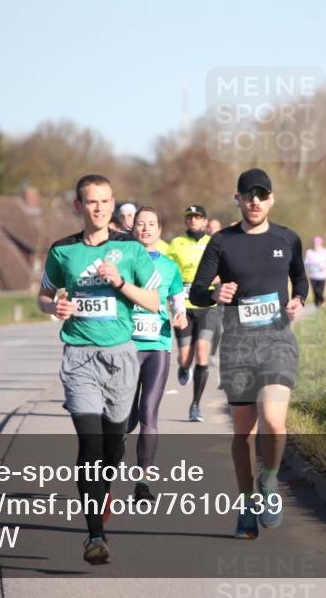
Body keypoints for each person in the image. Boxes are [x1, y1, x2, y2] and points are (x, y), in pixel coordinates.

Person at [37, 174, 161, 565]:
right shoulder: (62, 251)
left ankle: (102, 491)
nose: (100, 208)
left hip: (122, 357)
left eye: (106, 202)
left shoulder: (130, 247)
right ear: (79, 206)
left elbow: (154, 302)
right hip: (79, 358)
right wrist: (53, 307)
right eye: (92, 202)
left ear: (112, 205)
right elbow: (42, 295)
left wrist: (121, 281)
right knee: (90, 447)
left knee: (113, 446)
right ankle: (95, 535)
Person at [190, 168, 308, 540]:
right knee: (244, 432)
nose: (254, 200)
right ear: (237, 199)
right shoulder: (222, 242)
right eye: (247, 194)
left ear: (271, 199)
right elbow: (195, 291)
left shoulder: (288, 239)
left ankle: (269, 483)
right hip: (239, 344)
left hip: (276, 342)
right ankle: (245, 504)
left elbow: (300, 279)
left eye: (262, 194)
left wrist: (298, 300)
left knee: (274, 421)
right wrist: (215, 294)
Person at [127, 206, 188, 502]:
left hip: (158, 347)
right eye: (140, 224)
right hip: (125, 348)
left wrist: (181, 315)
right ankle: (103, 473)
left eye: (151, 224)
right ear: (132, 229)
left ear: (159, 230)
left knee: (148, 413)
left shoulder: (168, 266)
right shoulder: (122, 261)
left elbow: (178, 299)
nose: (145, 229)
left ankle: (143, 483)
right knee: (123, 421)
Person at [167, 205, 220, 422]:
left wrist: (214, 282)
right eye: (189, 217)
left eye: (197, 217)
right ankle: (183, 367)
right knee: (186, 357)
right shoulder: (176, 243)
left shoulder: (213, 243)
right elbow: (169, 271)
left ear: (205, 221)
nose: (192, 220)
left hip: (207, 306)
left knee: (201, 352)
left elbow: (224, 270)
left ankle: (195, 405)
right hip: (183, 306)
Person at [303, 236, 326, 307]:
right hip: (313, 275)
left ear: (321, 244)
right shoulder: (309, 252)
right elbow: (305, 262)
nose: (316, 245)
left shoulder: (325, 252)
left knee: (320, 291)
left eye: (318, 244)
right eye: (315, 243)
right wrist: (309, 263)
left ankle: (321, 301)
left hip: (322, 275)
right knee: (315, 291)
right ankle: (317, 304)